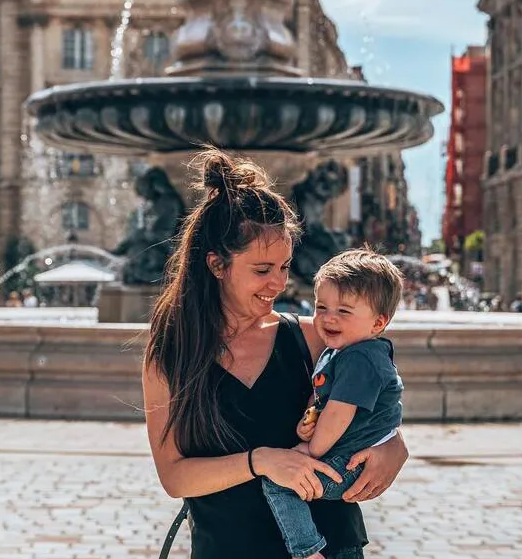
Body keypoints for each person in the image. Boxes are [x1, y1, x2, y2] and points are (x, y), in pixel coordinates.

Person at [143, 149, 408, 559]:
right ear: (217, 265)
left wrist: (393, 449)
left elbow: (374, 407)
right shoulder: (170, 355)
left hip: (331, 546)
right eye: (262, 270)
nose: (278, 284)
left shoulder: (313, 338)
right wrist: (261, 461)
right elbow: (175, 477)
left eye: (285, 267)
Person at [261, 249, 404, 559]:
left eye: (343, 310)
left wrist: (309, 451)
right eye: (321, 306)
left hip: (349, 464)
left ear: (378, 322)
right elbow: (324, 401)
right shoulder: (340, 351)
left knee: (281, 484)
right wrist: (309, 422)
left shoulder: (360, 359)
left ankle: (308, 550)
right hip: (347, 454)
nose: (328, 318)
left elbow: (339, 414)